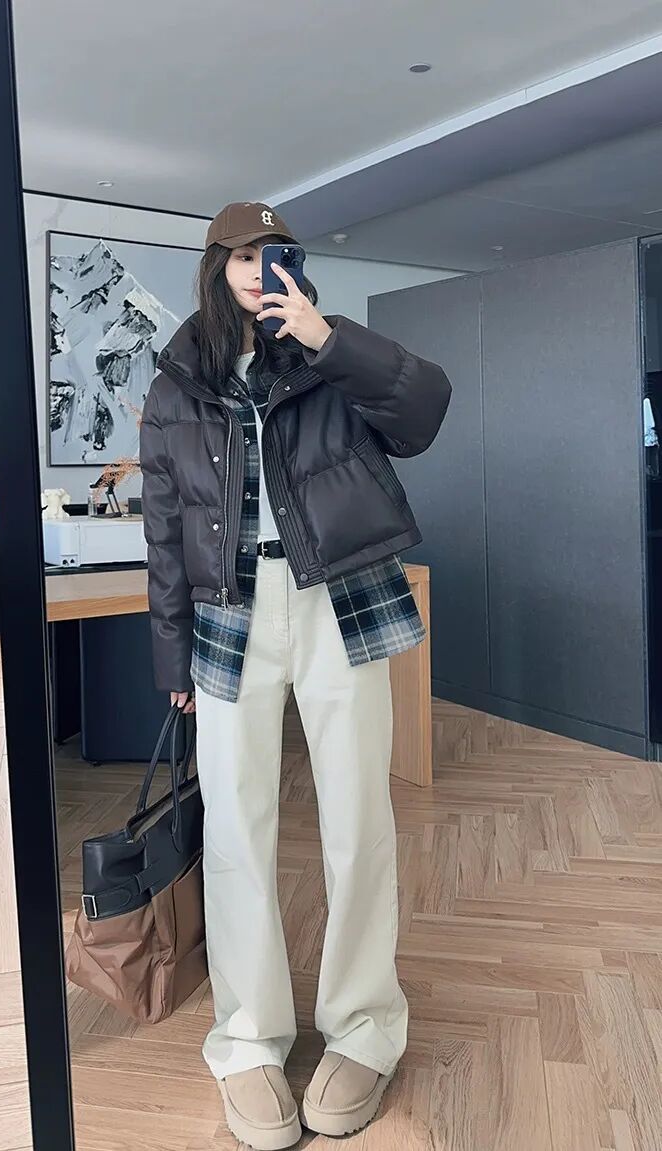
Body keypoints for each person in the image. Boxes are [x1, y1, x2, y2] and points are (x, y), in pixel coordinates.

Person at [140, 202, 451, 1150]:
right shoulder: (176, 382)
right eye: (241, 253)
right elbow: (164, 529)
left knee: (360, 817)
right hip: (228, 611)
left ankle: (365, 1027)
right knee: (236, 828)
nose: (257, 266)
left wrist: (326, 336)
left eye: (273, 252)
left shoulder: (325, 351)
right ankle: (248, 1036)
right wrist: (172, 653)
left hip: (337, 596)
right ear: (215, 266)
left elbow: (425, 411)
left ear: (294, 261)